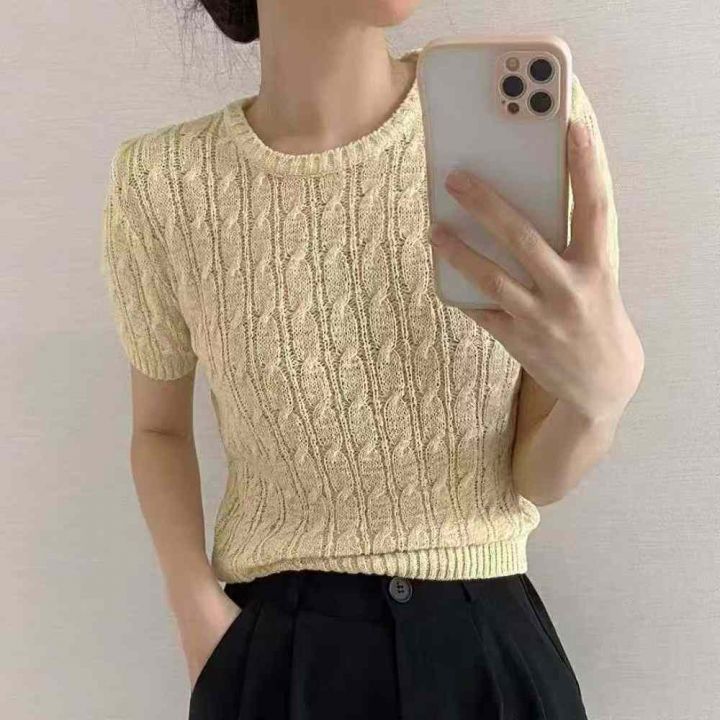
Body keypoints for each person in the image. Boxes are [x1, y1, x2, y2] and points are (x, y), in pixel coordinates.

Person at [99, 1, 644, 718]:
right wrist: (195, 611)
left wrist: (601, 397)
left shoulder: (538, 125)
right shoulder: (163, 184)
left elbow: (535, 478)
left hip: (487, 655)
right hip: (277, 659)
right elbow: (158, 430)